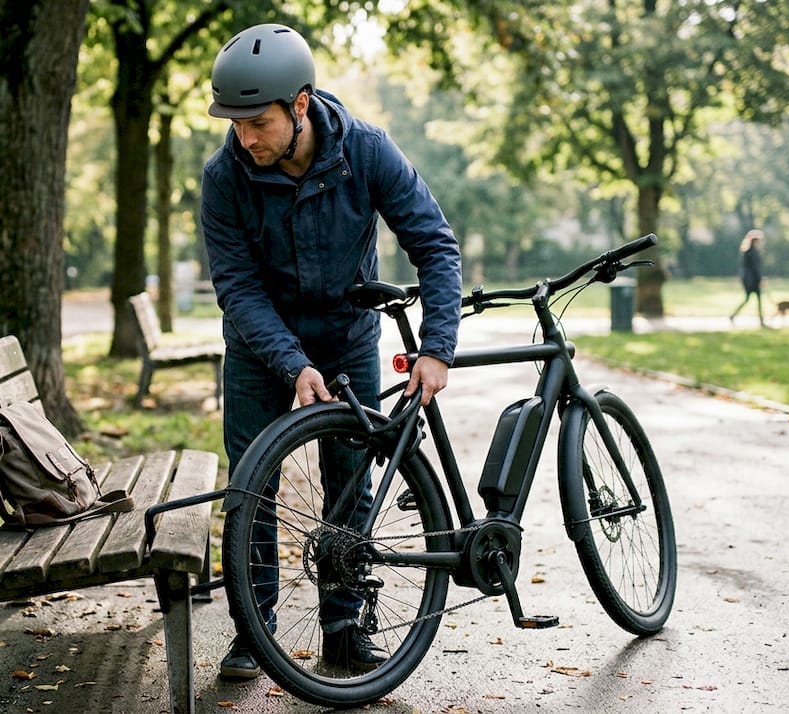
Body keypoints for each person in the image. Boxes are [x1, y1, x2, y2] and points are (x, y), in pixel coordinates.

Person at [200, 23, 463, 680]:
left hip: (348, 337)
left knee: (350, 482)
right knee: (251, 486)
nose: (245, 138)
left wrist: (437, 348)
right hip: (260, 345)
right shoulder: (224, 177)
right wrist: (292, 364)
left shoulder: (366, 151)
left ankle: (344, 629)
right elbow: (236, 286)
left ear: (300, 104)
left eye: (258, 123)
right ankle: (253, 630)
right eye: (234, 124)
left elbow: (434, 245)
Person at [729, 229, 765, 327]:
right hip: (752, 281)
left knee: (751, 299)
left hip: (748, 280)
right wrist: (759, 279)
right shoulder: (752, 252)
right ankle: (761, 320)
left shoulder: (747, 252)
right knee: (755, 299)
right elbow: (755, 268)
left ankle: (734, 315)